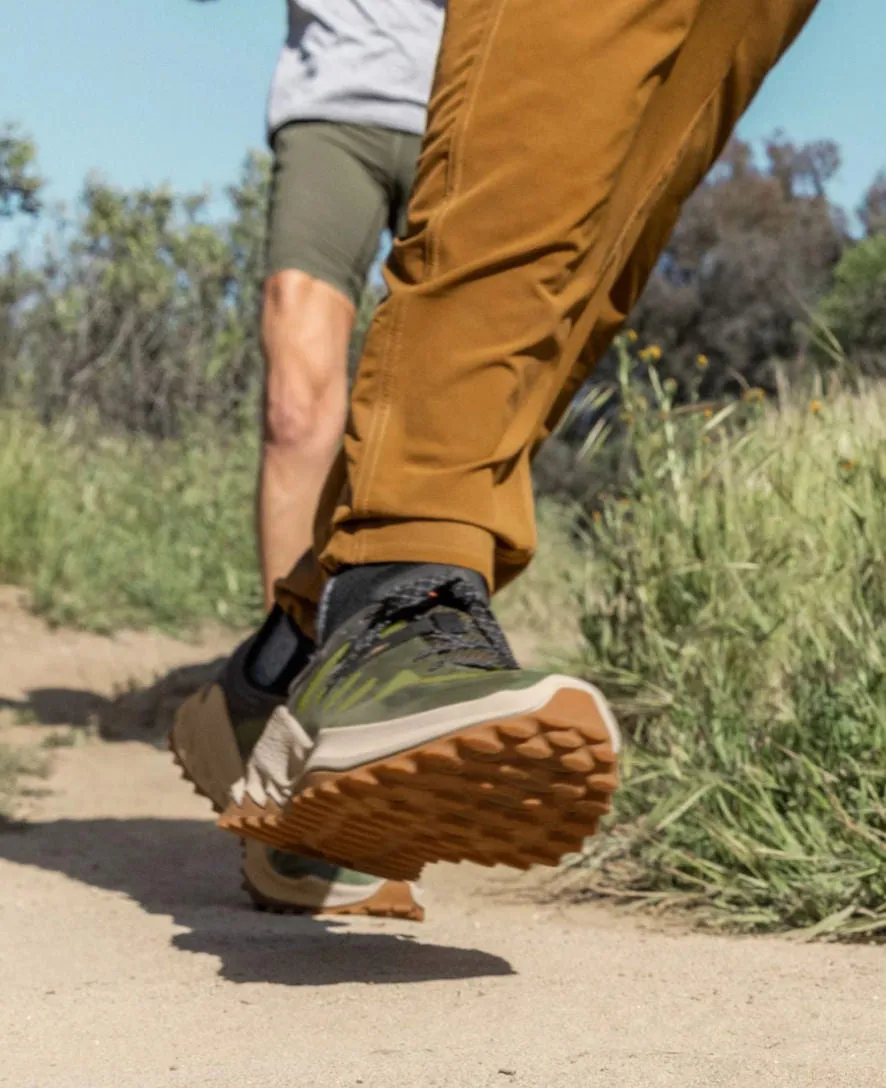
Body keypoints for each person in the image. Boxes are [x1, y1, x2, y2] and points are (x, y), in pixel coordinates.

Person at [175, 0, 821, 892]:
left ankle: (292, 653)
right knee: (549, 121)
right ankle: (398, 587)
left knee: (605, 236)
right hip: (345, 101)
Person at [171, 0, 446, 920]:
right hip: (340, 97)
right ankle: (277, 717)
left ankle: (389, 746)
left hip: (476, 105)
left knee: (445, 423)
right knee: (297, 404)